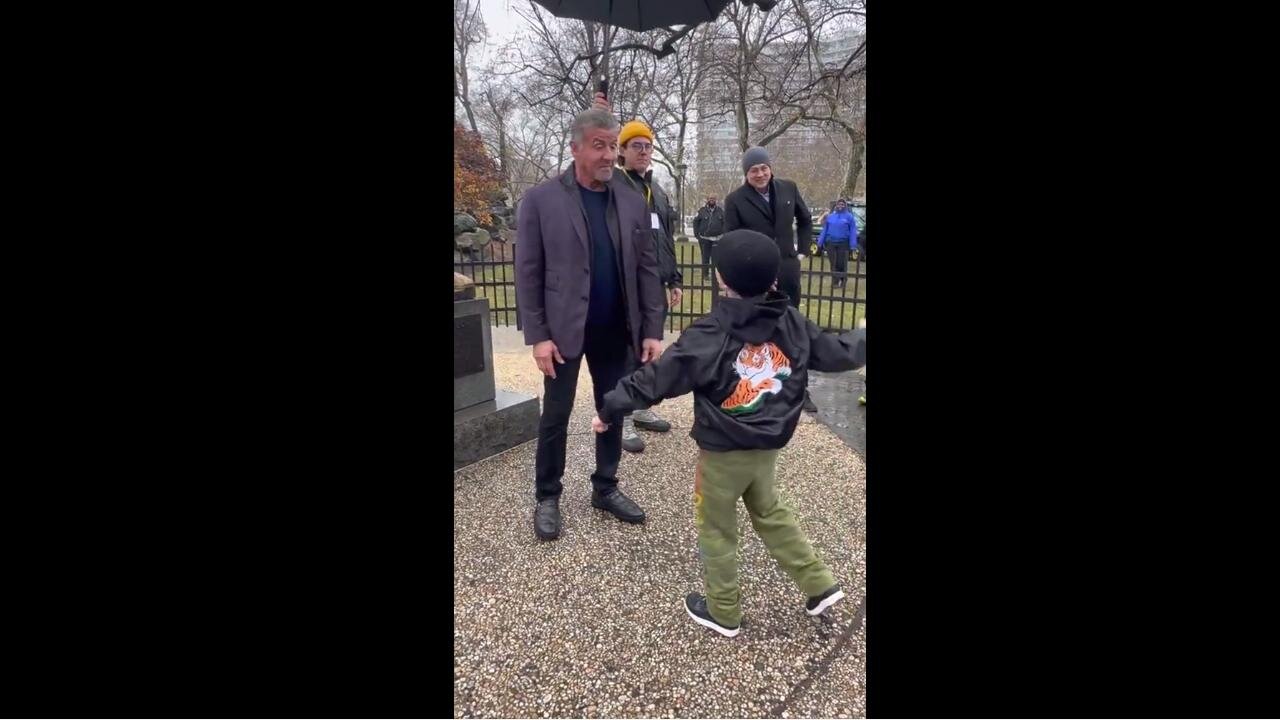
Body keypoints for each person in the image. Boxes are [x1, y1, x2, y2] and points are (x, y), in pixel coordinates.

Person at [591, 229, 866, 637]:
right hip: (766, 446)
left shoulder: (709, 333)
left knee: (717, 528)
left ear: (721, 279)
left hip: (723, 452)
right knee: (771, 512)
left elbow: (658, 379)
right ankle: (818, 584)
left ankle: (723, 611)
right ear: (774, 279)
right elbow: (837, 352)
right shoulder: (790, 320)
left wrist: (611, 406)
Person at [514, 106, 667, 541]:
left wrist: (652, 329)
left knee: (613, 408)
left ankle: (605, 486)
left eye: (611, 145)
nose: (607, 155)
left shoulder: (631, 200)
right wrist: (538, 336)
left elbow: (646, 268)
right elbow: (528, 273)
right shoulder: (541, 201)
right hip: (562, 333)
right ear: (575, 148)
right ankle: (547, 495)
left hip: (616, 329)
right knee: (556, 414)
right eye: (598, 145)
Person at [723, 146, 819, 413]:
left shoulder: (788, 188)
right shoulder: (735, 200)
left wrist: (801, 251)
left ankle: (799, 389)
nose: (760, 174)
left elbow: (805, 219)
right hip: (756, 274)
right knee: (758, 333)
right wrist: (747, 268)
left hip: (787, 269)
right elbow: (732, 239)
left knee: (792, 329)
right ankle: (756, 389)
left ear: (770, 168)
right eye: (754, 170)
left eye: (763, 168)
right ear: (746, 174)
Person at [614, 118, 682, 453]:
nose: (643, 151)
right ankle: (621, 416)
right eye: (636, 146)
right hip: (627, 285)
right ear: (622, 151)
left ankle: (640, 406)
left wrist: (674, 278)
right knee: (625, 349)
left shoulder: (658, 192)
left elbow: (665, 239)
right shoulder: (615, 186)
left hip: (656, 284)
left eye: (647, 146)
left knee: (649, 350)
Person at [817, 198, 858, 289]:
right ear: (836, 206)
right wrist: (820, 242)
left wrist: (853, 245)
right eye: (838, 204)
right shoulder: (830, 216)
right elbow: (825, 230)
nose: (840, 206)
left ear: (845, 206)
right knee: (833, 263)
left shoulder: (849, 217)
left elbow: (853, 231)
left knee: (841, 263)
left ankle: (843, 280)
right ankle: (835, 282)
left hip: (843, 243)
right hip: (830, 243)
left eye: (842, 204)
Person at [693, 195, 726, 269]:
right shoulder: (701, 211)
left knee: (716, 258)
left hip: (717, 239)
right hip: (704, 239)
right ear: (707, 200)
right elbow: (695, 223)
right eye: (710, 198)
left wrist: (724, 234)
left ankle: (715, 275)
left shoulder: (720, 211)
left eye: (713, 199)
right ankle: (705, 274)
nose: (712, 200)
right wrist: (697, 235)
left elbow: (725, 223)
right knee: (705, 258)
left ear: (716, 200)